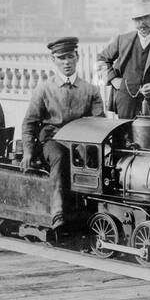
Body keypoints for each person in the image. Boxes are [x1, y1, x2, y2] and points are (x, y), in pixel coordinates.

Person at [21, 37, 105, 222]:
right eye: (61, 58)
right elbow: (29, 123)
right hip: (53, 141)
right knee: (60, 157)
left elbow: (99, 123)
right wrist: (27, 152)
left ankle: (92, 212)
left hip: (81, 142)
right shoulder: (44, 89)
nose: (66, 62)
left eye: (69, 56)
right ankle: (57, 212)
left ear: (77, 57)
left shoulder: (90, 90)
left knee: (94, 162)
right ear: (54, 60)